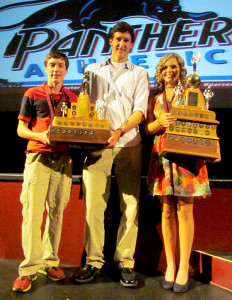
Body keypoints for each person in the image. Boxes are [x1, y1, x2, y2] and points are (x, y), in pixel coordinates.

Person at [74, 21, 149, 287]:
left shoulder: (140, 73)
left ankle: (125, 263)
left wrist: (117, 132)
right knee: (94, 206)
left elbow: (140, 111)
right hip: (97, 147)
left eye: (126, 40)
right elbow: (84, 107)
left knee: (130, 207)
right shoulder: (92, 70)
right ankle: (93, 262)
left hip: (129, 144)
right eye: (117, 39)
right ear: (110, 41)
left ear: (132, 44)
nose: (121, 44)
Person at [144, 53, 211, 293]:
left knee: (184, 210)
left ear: (181, 70)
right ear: (160, 72)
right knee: (166, 211)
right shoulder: (154, 99)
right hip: (162, 158)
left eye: (174, 67)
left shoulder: (191, 93)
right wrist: (160, 122)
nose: (169, 71)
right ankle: (170, 265)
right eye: (165, 67)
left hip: (186, 157)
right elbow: (148, 128)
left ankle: (184, 266)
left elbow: (202, 120)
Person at [13, 50, 77, 293]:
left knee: (56, 213)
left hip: (63, 160)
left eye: (60, 65)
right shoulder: (33, 94)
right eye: (51, 65)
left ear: (66, 69)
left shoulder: (73, 98)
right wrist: (39, 135)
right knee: (31, 214)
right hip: (38, 157)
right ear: (46, 67)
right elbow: (21, 129)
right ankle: (29, 269)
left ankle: (50, 262)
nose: (55, 69)